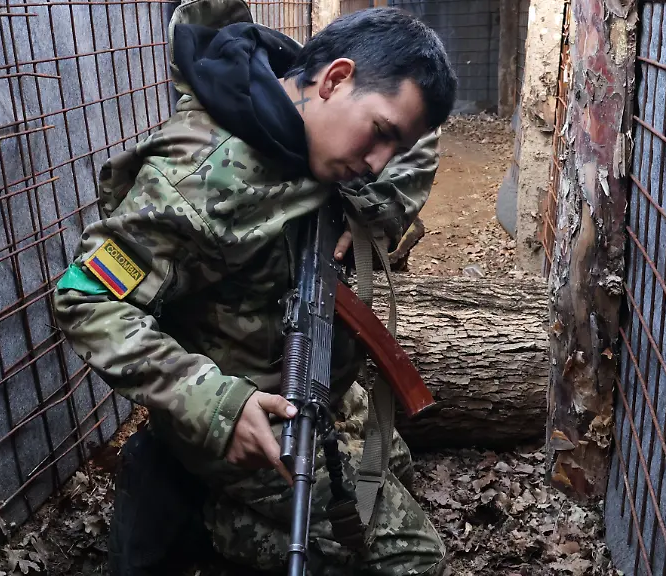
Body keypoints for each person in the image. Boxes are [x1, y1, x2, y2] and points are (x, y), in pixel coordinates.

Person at [52, 0, 457, 573]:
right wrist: (216, 404)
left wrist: (373, 207)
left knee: (394, 467)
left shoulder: (307, 119)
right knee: (414, 560)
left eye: (390, 145)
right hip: (249, 415)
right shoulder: (196, 180)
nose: (377, 162)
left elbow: (419, 140)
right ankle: (215, 524)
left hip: (311, 378)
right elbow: (84, 298)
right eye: (379, 136)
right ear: (336, 79)